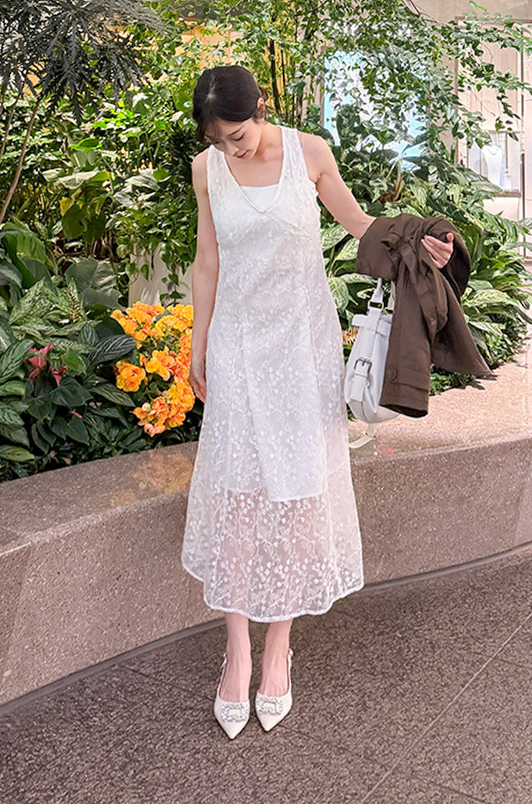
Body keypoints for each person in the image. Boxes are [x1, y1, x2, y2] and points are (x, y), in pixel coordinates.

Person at [181, 65, 454, 738]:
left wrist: (414, 239)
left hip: (302, 347)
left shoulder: (309, 153)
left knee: (301, 490)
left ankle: (279, 648)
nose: (232, 148)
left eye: (237, 135)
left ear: (260, 108)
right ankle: (237, 652)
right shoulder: (206, 170)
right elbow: (208, 261)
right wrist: (198, 343)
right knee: (238, 491)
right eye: (219, 140)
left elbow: (359, 224)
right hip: (240, 346)